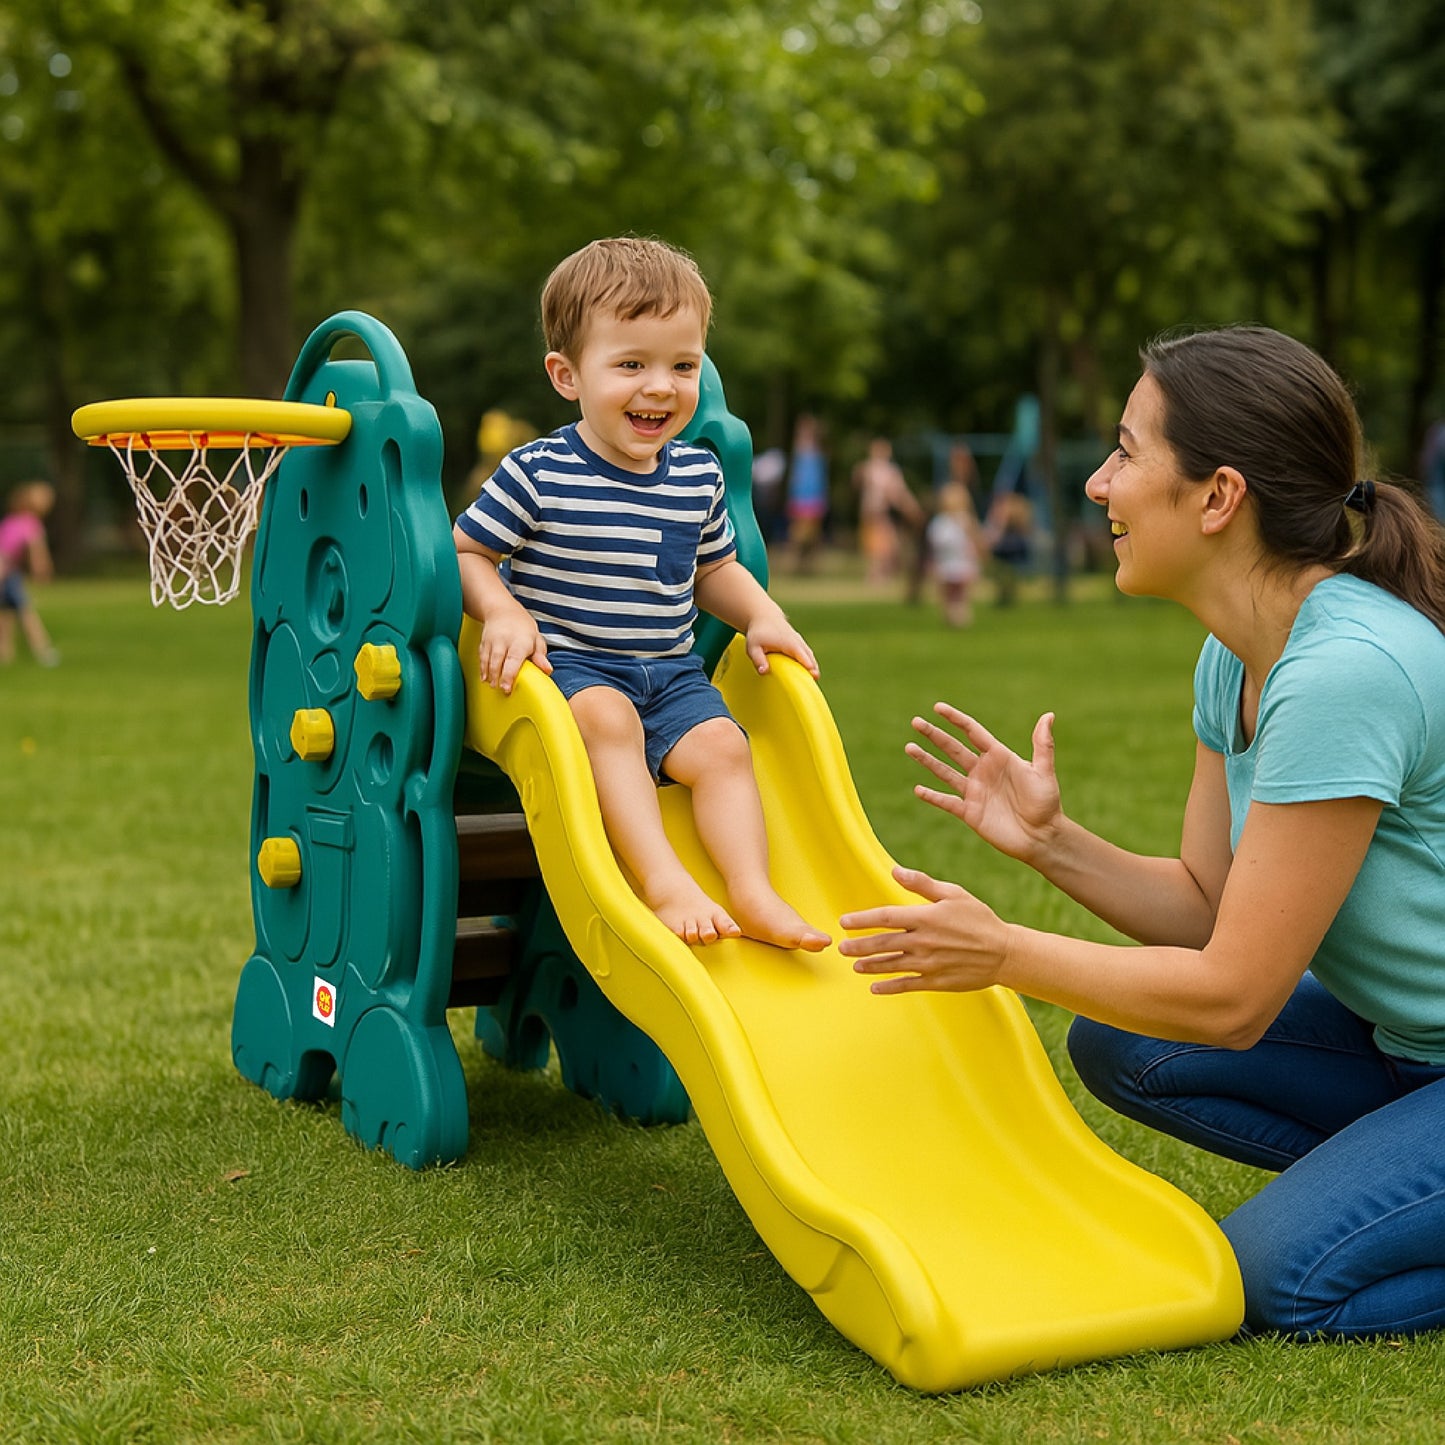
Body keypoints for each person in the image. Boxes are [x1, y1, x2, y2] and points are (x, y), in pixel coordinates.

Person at [838, 325, 1445, 1342]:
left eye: (1123, 453)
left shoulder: (1344, 671)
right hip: (1401, 1046)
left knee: (1270, 1281)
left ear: (1217, 496)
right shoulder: (1235, 654)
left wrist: (1004, 951)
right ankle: (1392, 1168)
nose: (1097, 485)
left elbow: (1235, 997)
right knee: (1122, 1042)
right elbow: (1208, 909)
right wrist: (1049, 842)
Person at [454, 236, 830, 953]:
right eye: (631, 364)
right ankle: (662, 881)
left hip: (671, 674)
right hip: (575, 672)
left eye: (682, 366)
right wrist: (502, 609)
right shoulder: (538, 471)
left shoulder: (695, 476)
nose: (660, 386)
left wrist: (762, 615)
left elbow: (712, 569)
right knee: (606, 720)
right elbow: (467, 550)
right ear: (567, 376)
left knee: (723, 746)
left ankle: (750, 889)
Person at [0, 480, 60, 667]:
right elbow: (37, 552)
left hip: (8, 572)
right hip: (6, 572)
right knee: (27, 612)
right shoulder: (31, 524)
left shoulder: (10, 520)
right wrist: (43, 571)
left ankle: (5, 653)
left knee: (6, 612)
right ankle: (43, 650)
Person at [852, 437, 924, 586]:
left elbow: (898, 492)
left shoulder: (882, 470)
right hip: (875, 511)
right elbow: (896, 492)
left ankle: (880, 573)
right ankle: (876, 574)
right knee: (880, 544)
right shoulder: (873, 469)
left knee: (886, 544)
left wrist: (911, 507)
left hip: (880, 511)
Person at [925, 480, 983, 627]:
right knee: (948, 592)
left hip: (962, 561)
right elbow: (935, 540)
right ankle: (950, 614)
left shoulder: (966, 520)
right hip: (946, 561)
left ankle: (961, 614)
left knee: (962, 591)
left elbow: (974, 538)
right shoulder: (940, 522)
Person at [784, 414, 829, 574]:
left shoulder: (815, 454)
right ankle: (797, 565)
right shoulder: (799, 453)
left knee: (812, 535)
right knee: (798, 534)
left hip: (812, 498)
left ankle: (808, 566)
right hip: (801, 499)